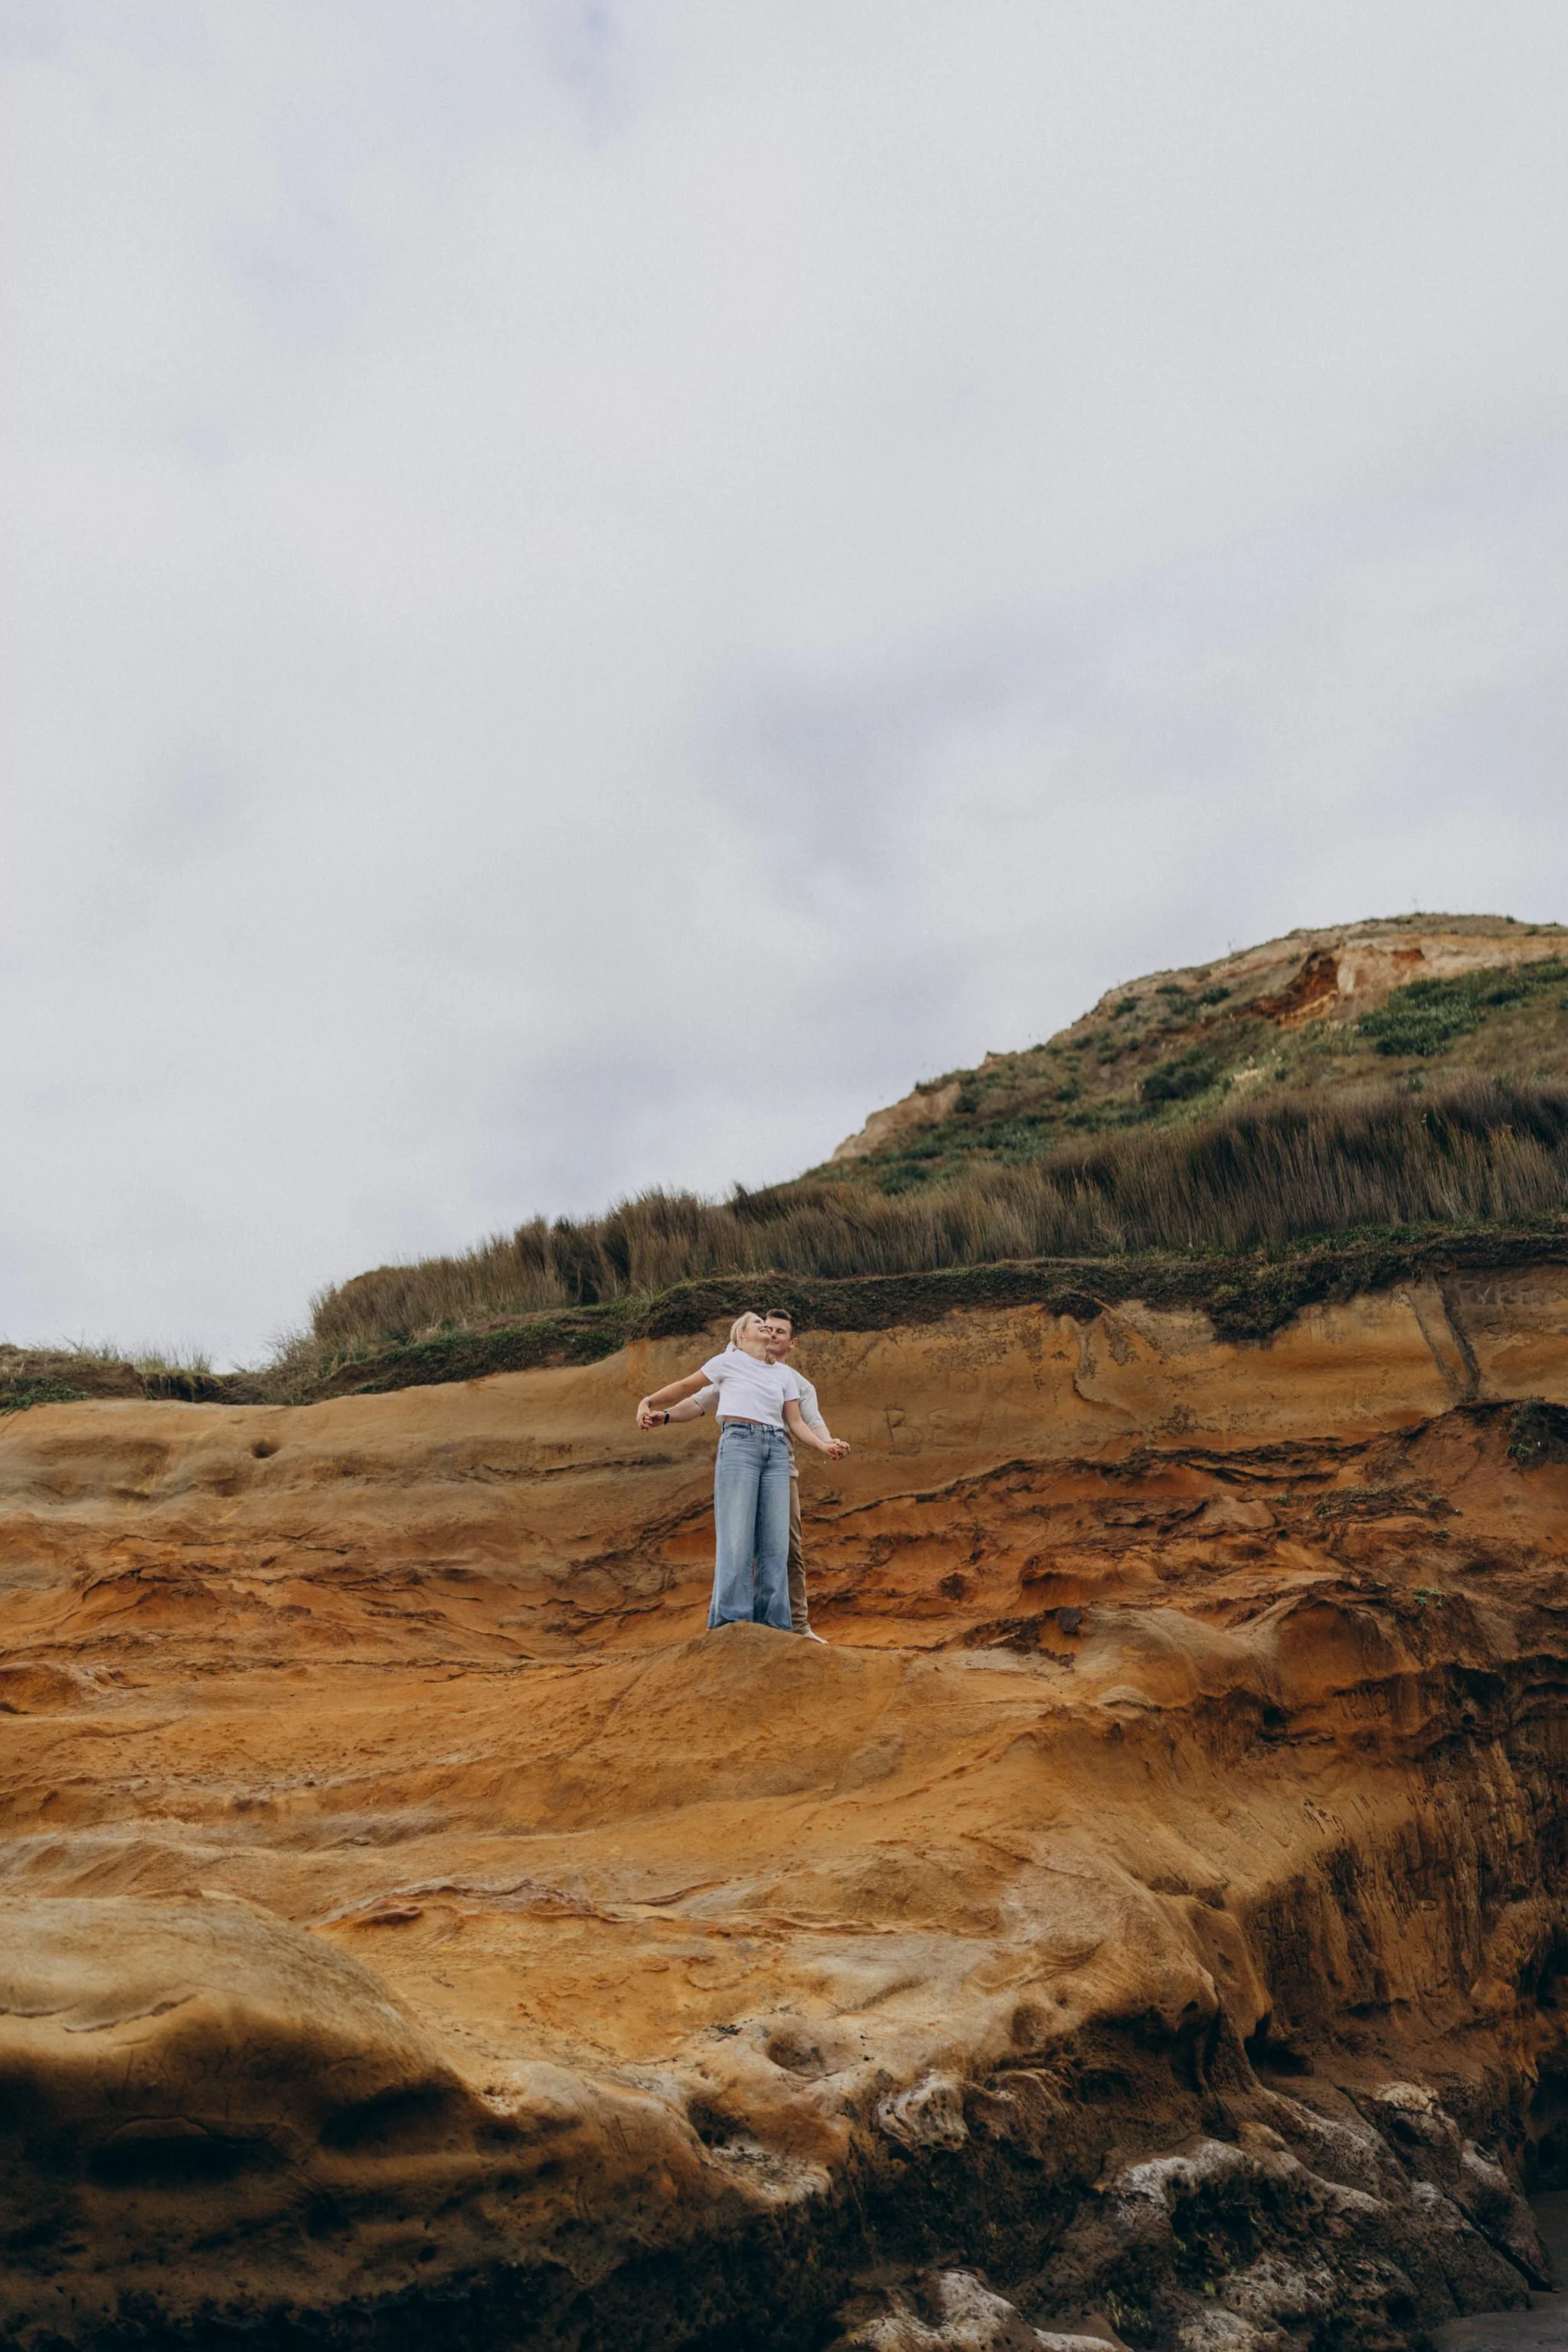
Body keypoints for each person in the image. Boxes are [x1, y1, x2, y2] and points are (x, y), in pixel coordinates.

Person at [636, 1312, 849, 1633]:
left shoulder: (789, 1378)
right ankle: (732, 1624)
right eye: (760, 1323)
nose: (768, 1329)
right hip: (740, 1446)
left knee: (778, 1546)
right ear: (741, 1335)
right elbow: (691, 1394)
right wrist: (651, 1405)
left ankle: (779, 1626)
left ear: (791, 1342)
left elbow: (801, 1422)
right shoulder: (728, 1362)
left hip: (778, 1454)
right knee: (737, 1537)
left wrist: (825, 1445)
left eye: (777, 1329)